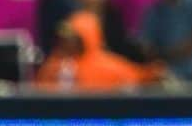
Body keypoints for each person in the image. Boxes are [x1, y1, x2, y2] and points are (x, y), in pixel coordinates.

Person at [35, 10, 165, 91]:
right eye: (66, 36)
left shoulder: (107, 65)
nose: (66, 41)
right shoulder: (54, 64)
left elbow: (139, 76)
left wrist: (153, 74)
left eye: (73, 37)